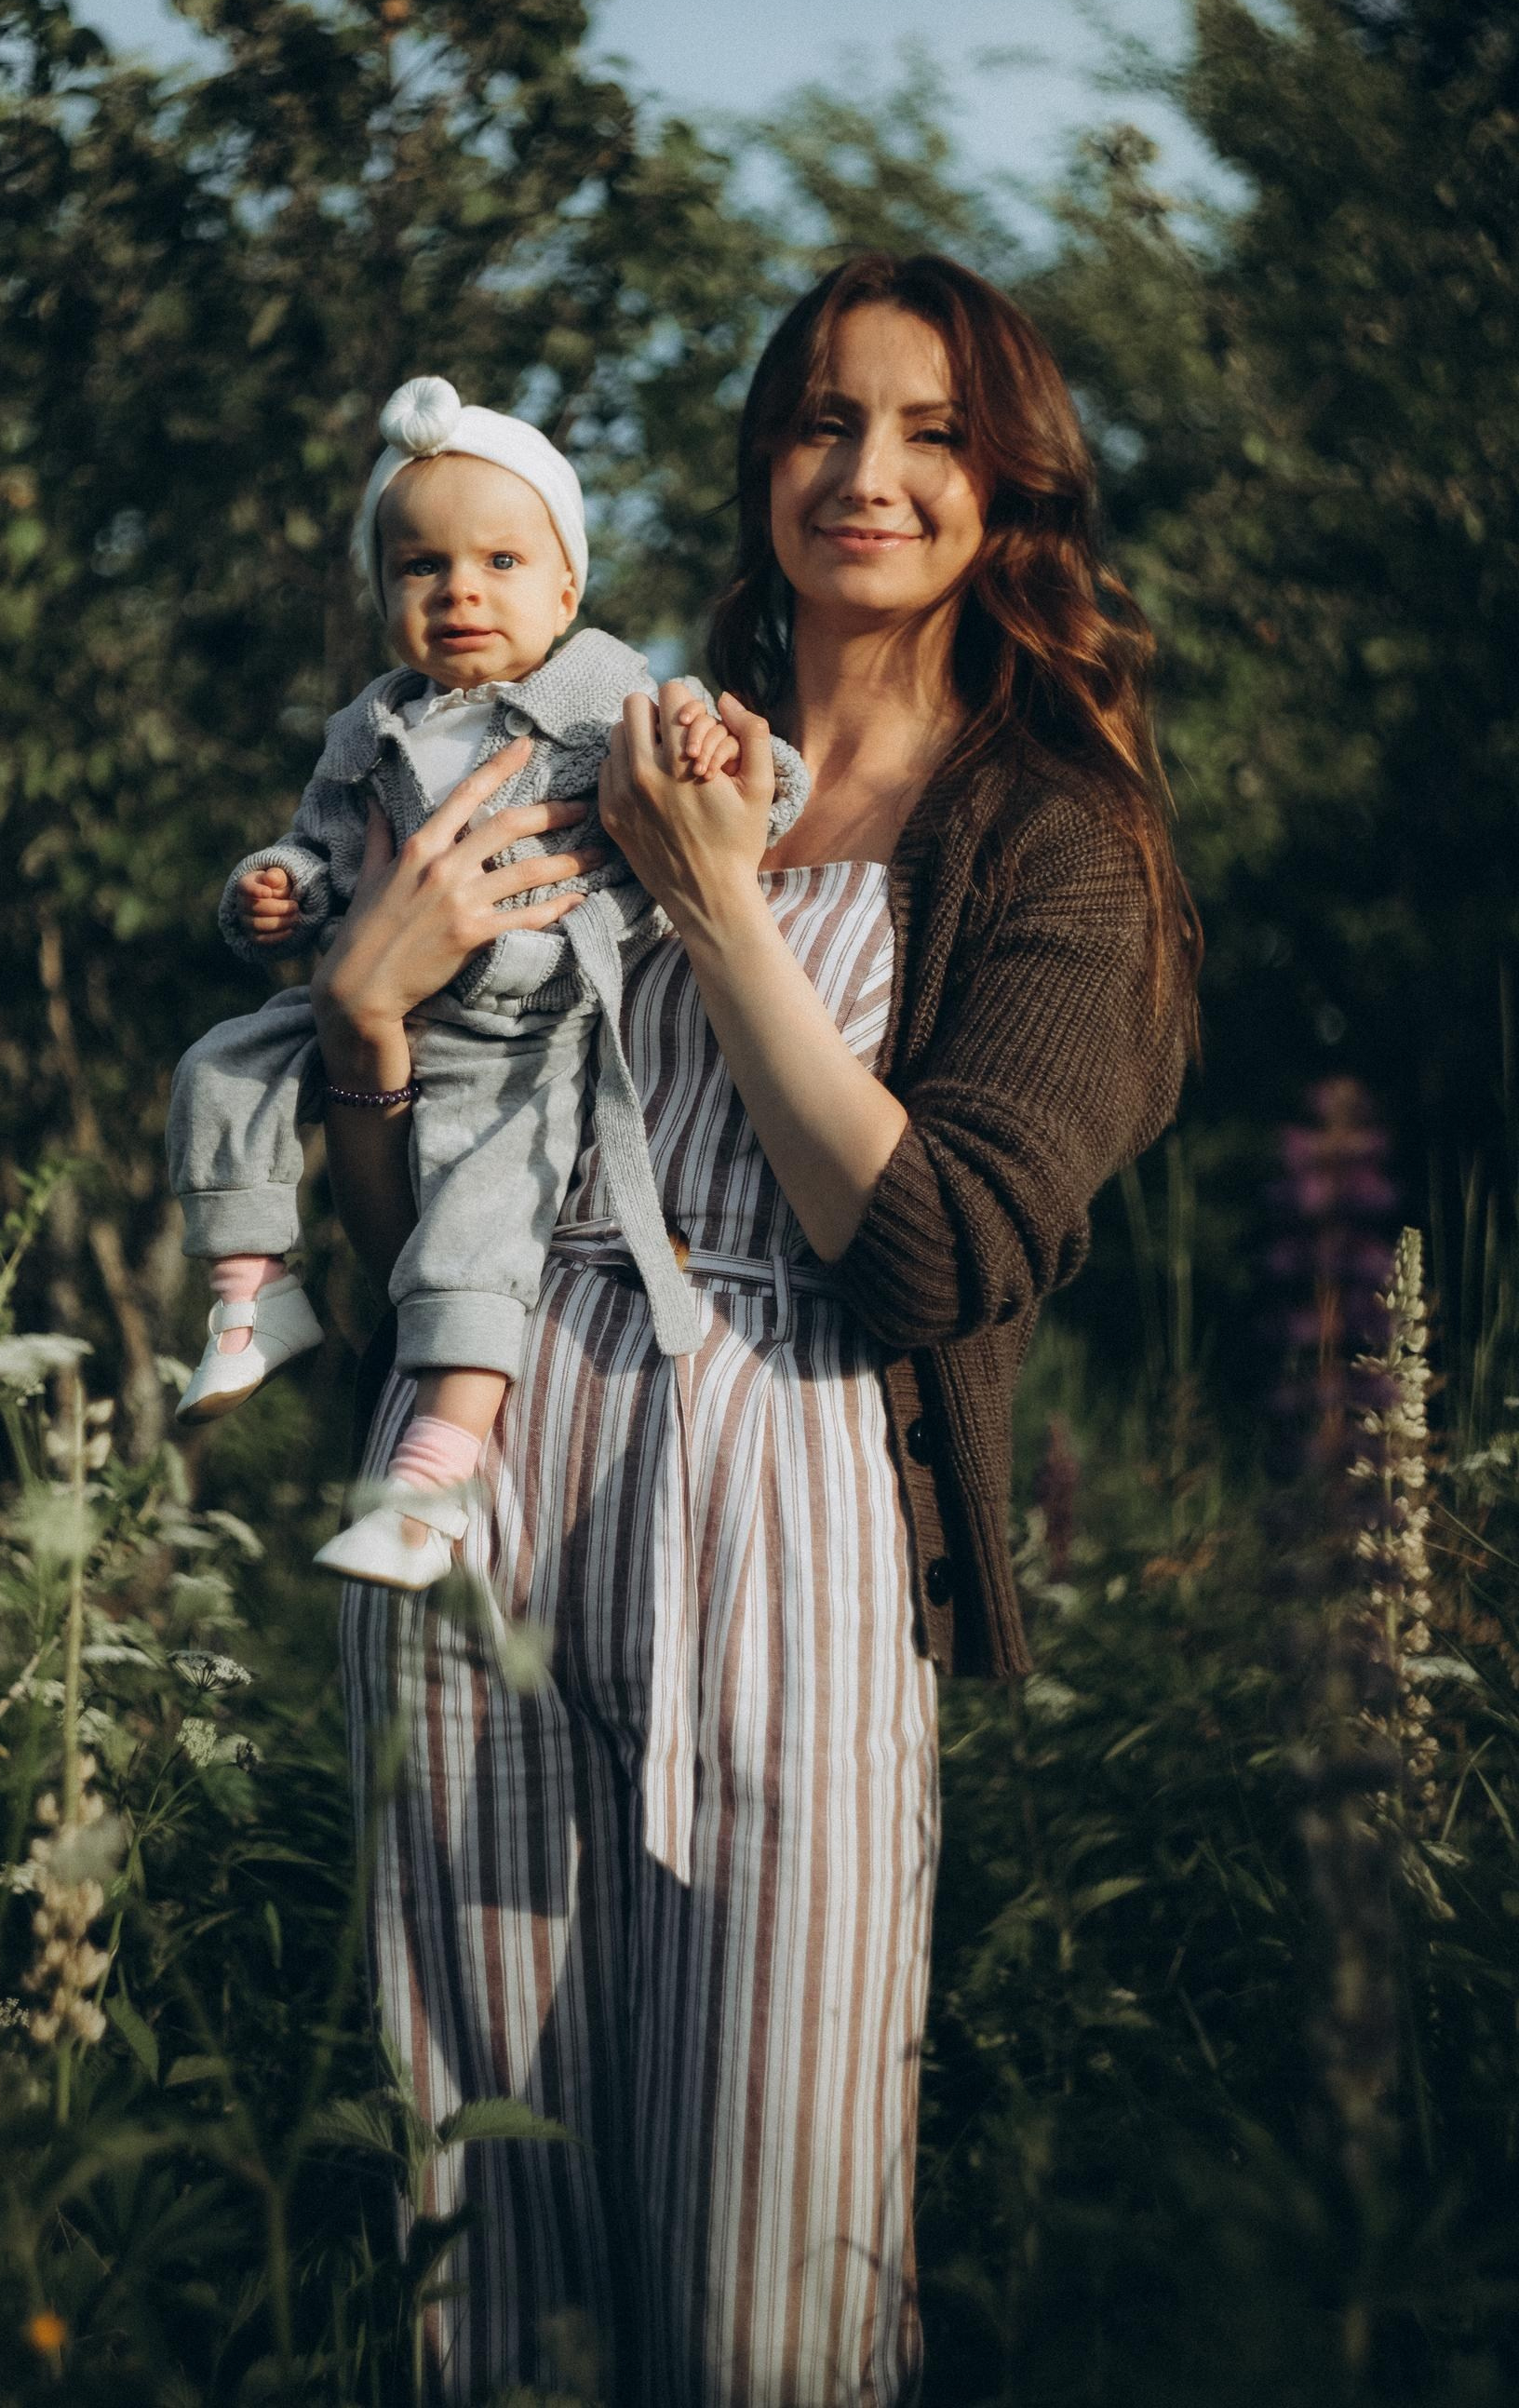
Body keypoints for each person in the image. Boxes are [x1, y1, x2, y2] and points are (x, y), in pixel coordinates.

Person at [310, 251, 1197, 2403]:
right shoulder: (587, 731)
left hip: (789, 1488)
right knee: (473, 2254)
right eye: (817, 420)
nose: (863, 473)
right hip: (483, 1480)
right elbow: (395, 1236)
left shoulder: (1059, 844)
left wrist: (713, 894)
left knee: (767, 2283)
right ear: (758, 461)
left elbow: (920, 1252)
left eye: (927, 433)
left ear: (1013, 494)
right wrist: (362, 1013)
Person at [164, 375, 806, 1591]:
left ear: (565, 588)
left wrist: (726, 756)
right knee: (223, 1062)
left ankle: (433, 1489)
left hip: (523, 1031)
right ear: (384, 595)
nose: (460, 589)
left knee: (479, 1229)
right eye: (421, 568)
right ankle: (251, 1289)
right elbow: (317, 846)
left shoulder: (607, 694)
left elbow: (773, 796)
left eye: (501, 561)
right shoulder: (370, 725)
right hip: (380, 983)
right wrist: (278, 888)